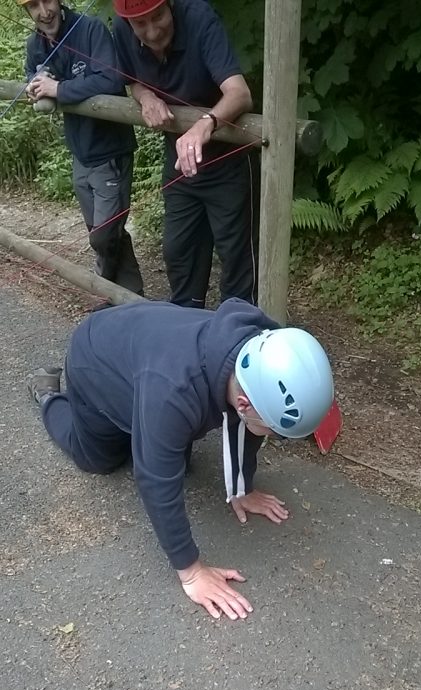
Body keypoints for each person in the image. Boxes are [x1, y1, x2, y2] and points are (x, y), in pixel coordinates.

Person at [26, 298, 335, 620]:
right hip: (94, 360)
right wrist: (192, 572)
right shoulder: (172, 393)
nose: (275, 438)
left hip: (144, 343)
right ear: (243, 403)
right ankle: (49, 396)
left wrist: (242, 487)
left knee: (174, 443)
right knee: (99, 458)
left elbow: (245, 422)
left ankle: (151, 427)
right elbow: (155, 478)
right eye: (275, 431)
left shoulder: (261, 344)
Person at [112, 0, 259, 308]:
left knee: (235, 254)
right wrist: (146, 96)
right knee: (180, 250)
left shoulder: (199, 18)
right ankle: (189, 328)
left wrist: (205, 124)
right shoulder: (122, 28)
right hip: (179, 157)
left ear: (171, 5)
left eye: (158, 17)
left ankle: (239, 332)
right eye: (140, 24)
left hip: (228, 159)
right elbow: (131, 81)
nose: (152, 31)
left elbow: (239, 92)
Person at [19, 0, 144, 295]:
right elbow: (31, 72)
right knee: (101, 231)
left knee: (102, 236)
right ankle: (130, 296)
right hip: (80, 152)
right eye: (33, 6)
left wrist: (59, 89)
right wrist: (32, 85)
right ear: (26, 11)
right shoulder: (34, 44)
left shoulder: (90, 29)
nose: (43, 11)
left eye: (47, 0)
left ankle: (102, 292)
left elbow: (112, 79)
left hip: (110, 150)